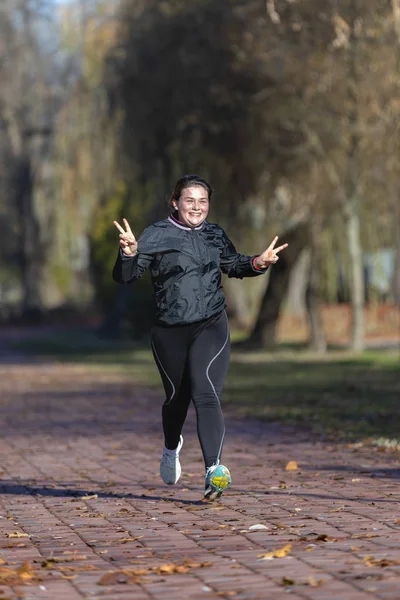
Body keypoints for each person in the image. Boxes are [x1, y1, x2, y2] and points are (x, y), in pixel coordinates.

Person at [112, 174, 288, 500]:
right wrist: (129, 253)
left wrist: (257, 263)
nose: (196, 206)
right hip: (169, 331)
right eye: (189, 200)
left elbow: (233, 264)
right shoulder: (155, 234)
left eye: (202, 201)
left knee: (205, 387)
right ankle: (170, 446)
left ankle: (213, 471)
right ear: (175, 202)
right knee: (177, 399)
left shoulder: (214, 234)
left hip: (211, 323)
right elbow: (126, 277)